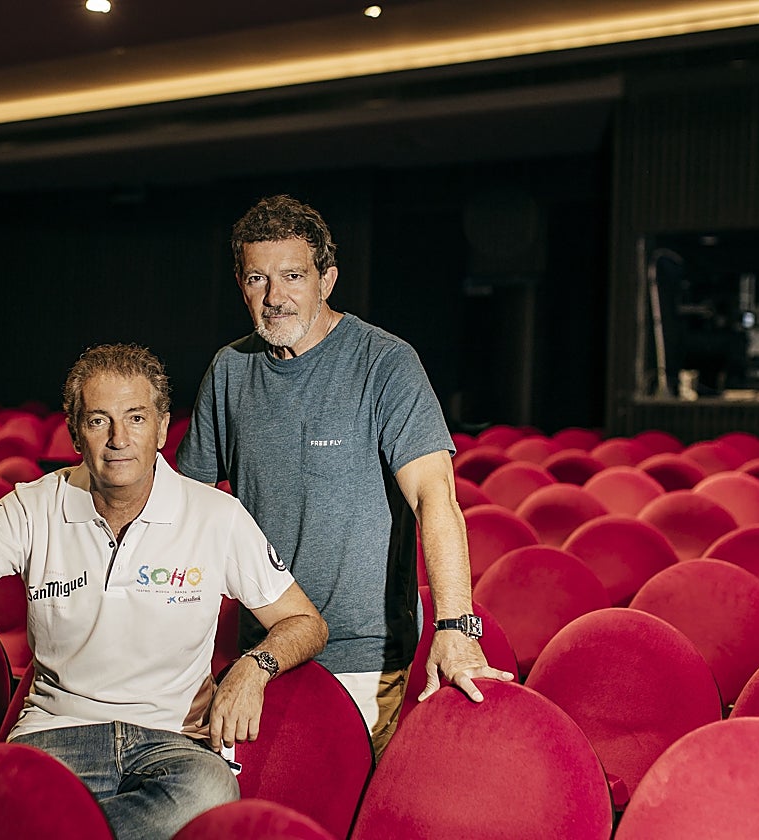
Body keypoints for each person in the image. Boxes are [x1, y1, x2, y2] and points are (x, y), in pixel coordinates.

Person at [0, 343, 327, 840]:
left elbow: (306, 622)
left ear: (163, 427)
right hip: (54, 735)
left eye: (135, 418)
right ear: (75, 433)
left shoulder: (216, 516)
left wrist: (255, 666)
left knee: (209, 795)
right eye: (99, 421)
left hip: (175, 743)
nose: (119, 439)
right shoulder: (31, 508)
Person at [177, 195, 514, 755]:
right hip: (263, 654)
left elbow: (436, 498)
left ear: (326, 280)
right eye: (258, 278)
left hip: (364, 658)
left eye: (292, 276)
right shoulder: (229, 369)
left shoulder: (384, 363)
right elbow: (189, 511)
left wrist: (456, 627)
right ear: (241, 284)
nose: (275, 296)